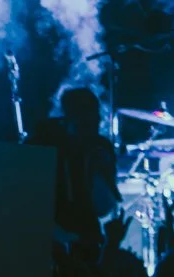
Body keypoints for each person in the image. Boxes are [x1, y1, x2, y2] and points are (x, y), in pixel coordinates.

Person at [30, 86, 118, 270]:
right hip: (50, 242)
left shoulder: (98, 148)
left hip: (84, 240)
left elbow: (103, 206)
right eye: (89, 116)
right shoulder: (43, 144)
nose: (98, 120)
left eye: (96, 115)